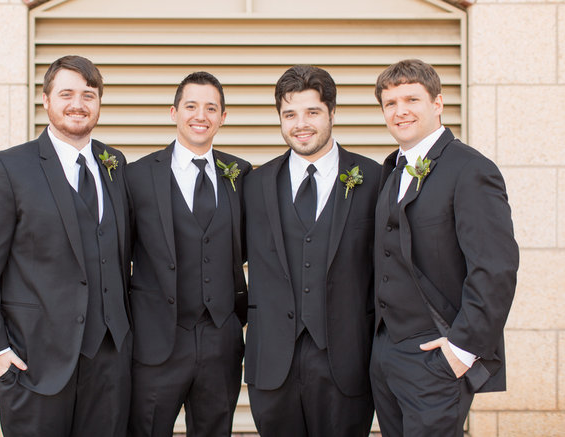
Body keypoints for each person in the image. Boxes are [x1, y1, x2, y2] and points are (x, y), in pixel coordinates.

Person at [0, 55, 132, 437]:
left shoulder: (114, 164)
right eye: (67, 93)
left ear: (99, 102)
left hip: (109, 362)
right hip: (34, 362)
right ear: (46, 100)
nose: (78, 104)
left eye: (89, 95)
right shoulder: (7, 168)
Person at [370, 58, 519, 437]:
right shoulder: (393, 168)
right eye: (390, 103)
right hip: (387, 356)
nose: (400, 111)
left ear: (437, 103)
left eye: (411, 100)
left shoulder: (470, 169)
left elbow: (495, 267)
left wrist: (462, 350)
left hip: (437, 355)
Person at [243, 65, 379, 437]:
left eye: (312, 112)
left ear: (333, 113)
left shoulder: (374, 179)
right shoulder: (254, 184)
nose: (300, 124)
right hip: (272, 363)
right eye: (290, 114)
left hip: (347, 361)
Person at [125, 71, 251, 437]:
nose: (201, 115)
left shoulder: (239, 174)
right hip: (157, 340)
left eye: (211, 108)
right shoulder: (137, 176)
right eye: (191, 106)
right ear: (173, 112)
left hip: (221, 338)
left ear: (223, 117)